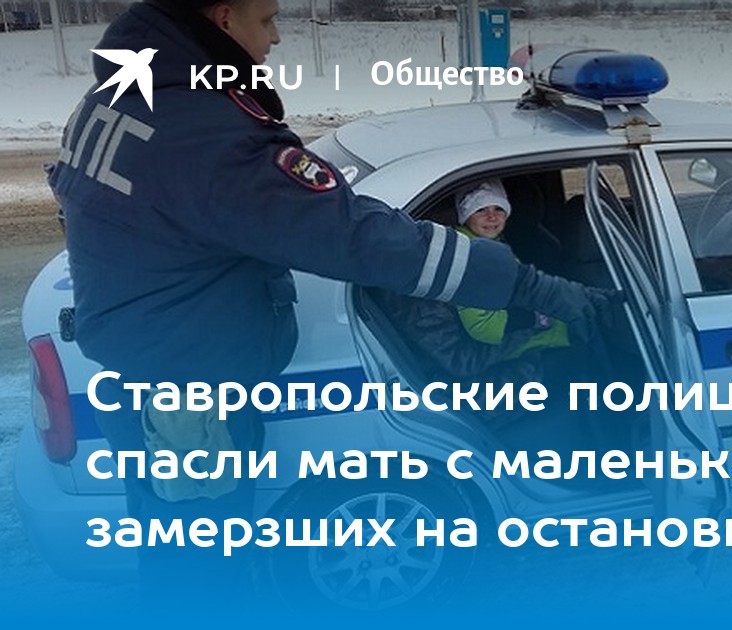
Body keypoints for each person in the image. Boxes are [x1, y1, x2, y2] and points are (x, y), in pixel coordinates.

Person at [47, 0, 611, 603]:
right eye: (267, 20)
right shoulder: (206, 132)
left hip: (154, 369)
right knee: (200, 572)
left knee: (176, 552)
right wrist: (531, 286)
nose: (276, 37)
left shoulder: (118, 98)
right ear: (224, 19)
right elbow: (356, 236)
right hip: (189, 398)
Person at [393, 180, 578, 404]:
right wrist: (534, 318)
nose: (492, 217)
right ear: (465, 216)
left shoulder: (487, 245)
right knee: (581, 349)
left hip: (507, 334)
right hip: (488, 351)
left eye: (499, 209)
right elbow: (484, 328)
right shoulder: (469, 259)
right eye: (480, 210)